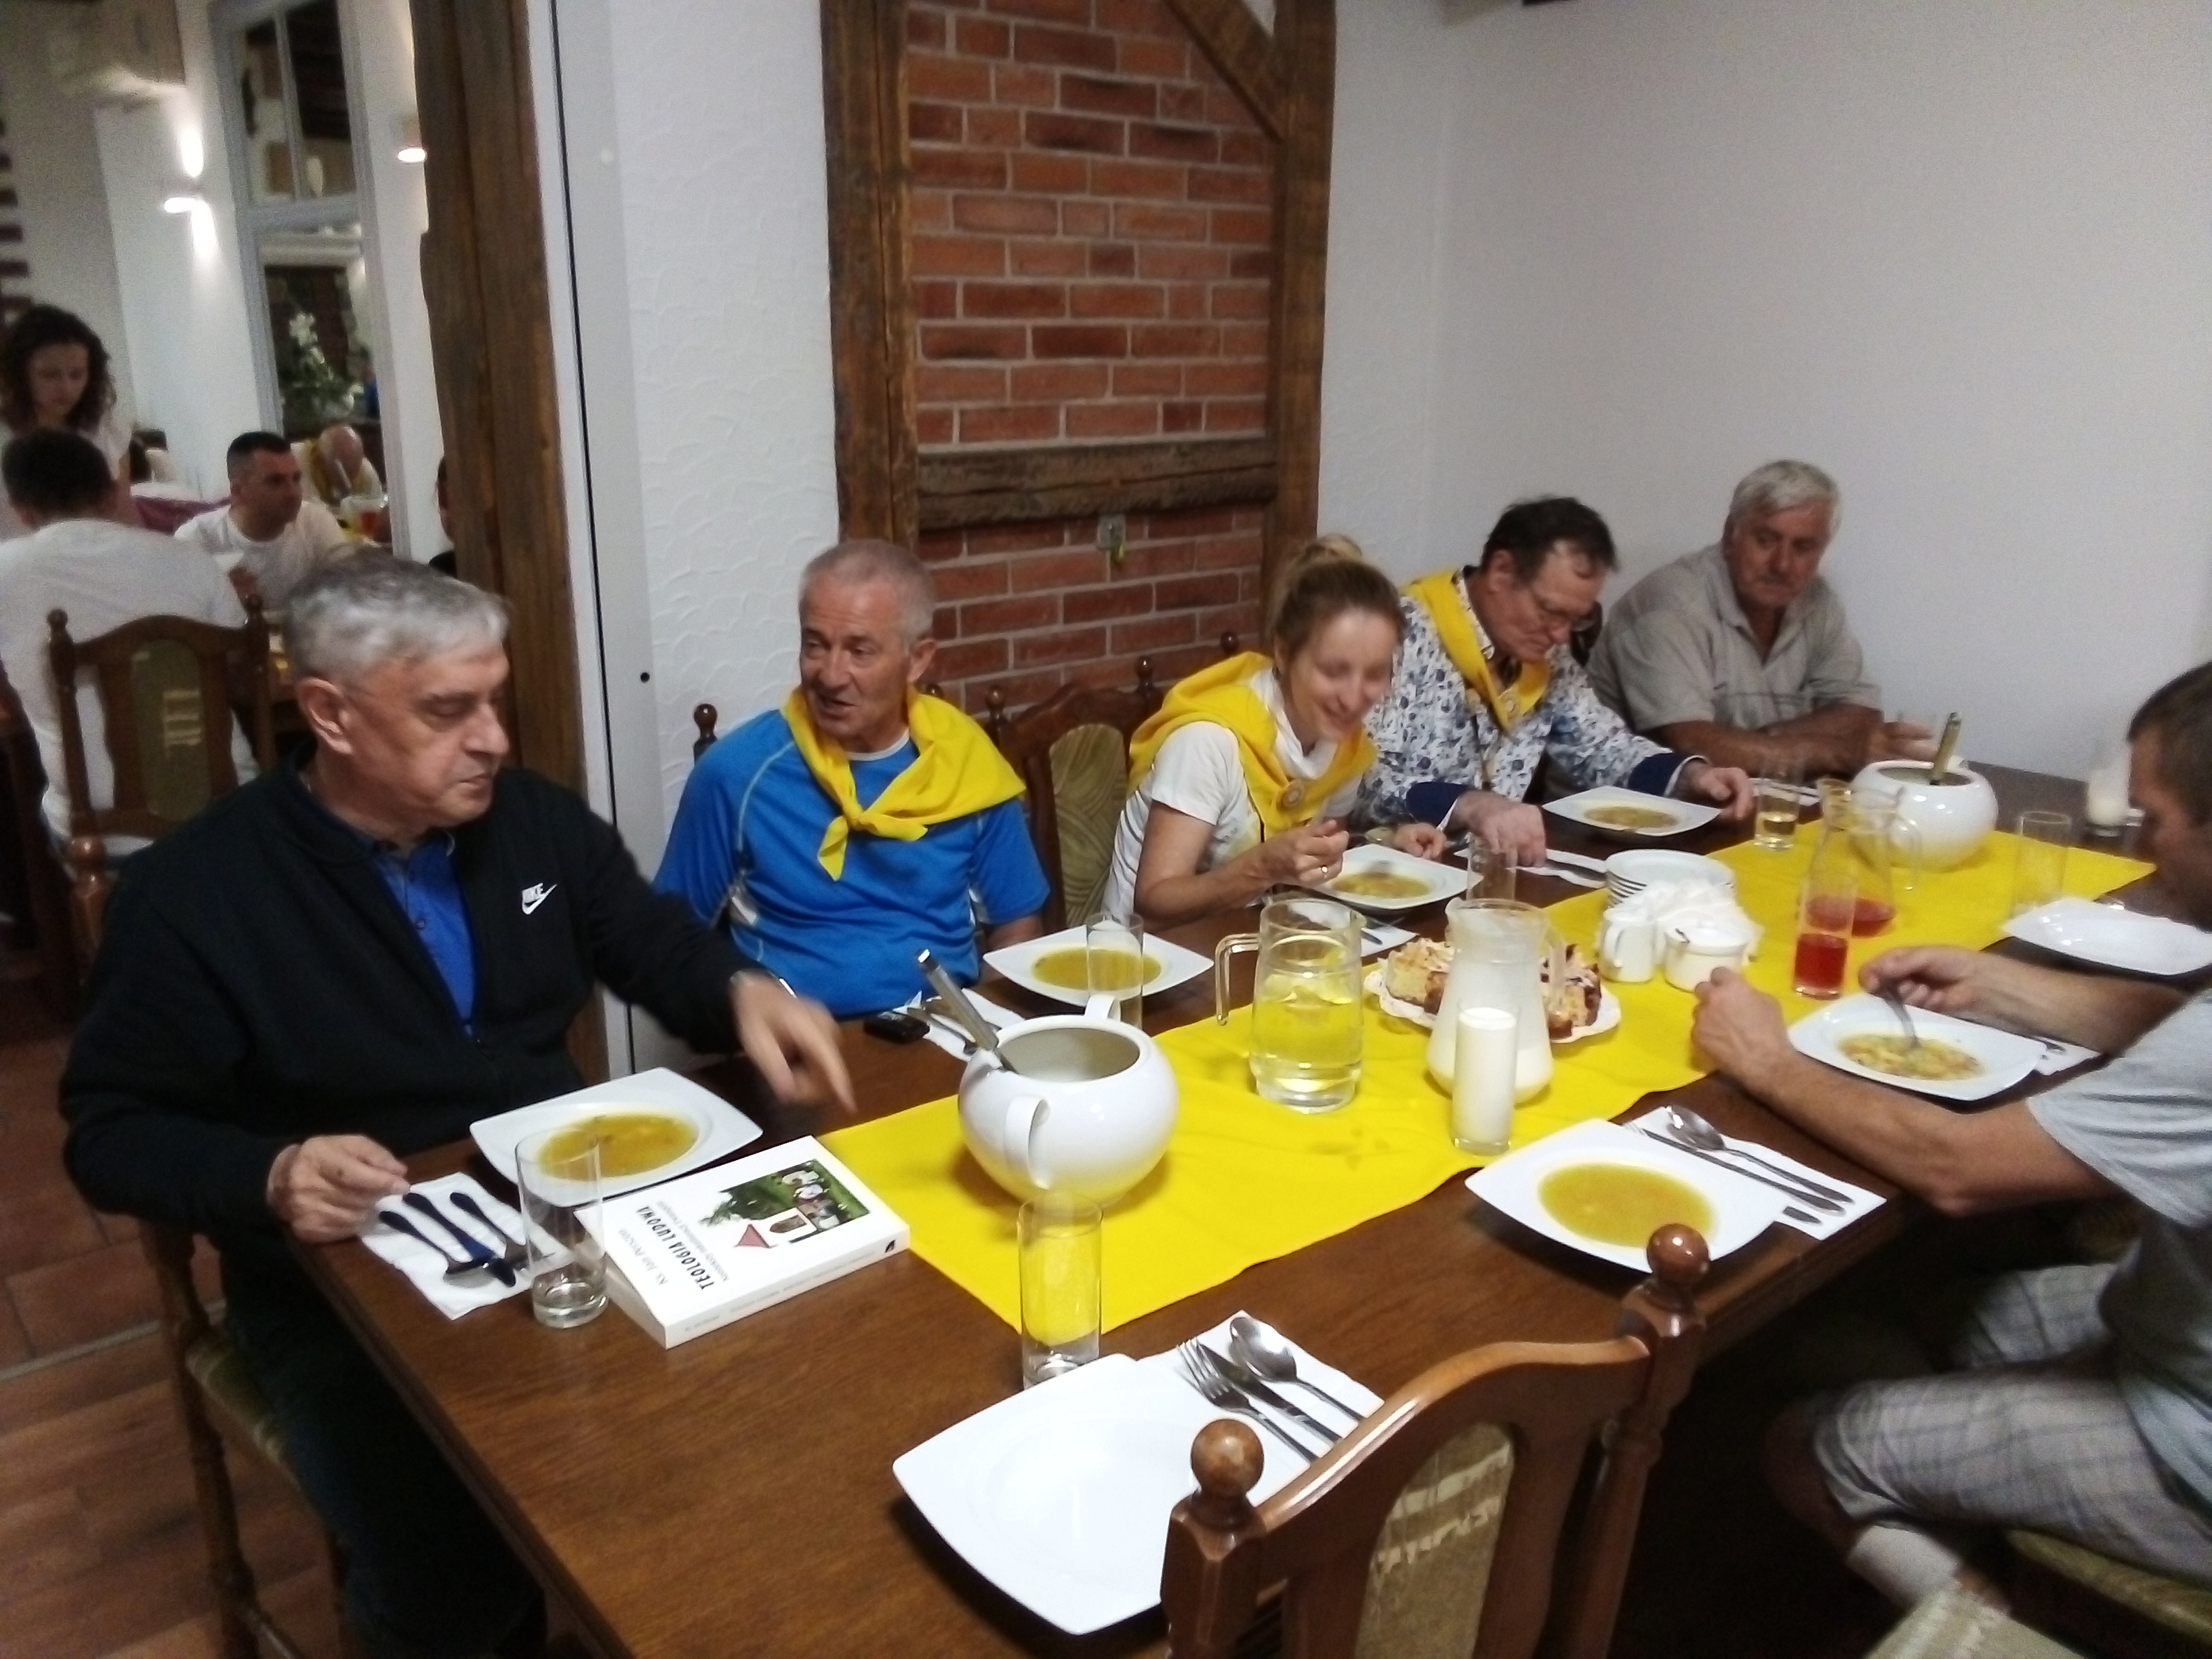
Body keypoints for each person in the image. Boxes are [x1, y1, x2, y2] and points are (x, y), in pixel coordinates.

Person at [59, 557, 851, 1659]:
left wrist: (737, 988)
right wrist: (268, 1173)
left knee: (769, 1402)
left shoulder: (529, 823)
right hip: (344, 1281)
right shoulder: (198, 891)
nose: (493, 739)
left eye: (494, 700)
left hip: (574, 1220)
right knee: (456, 1563)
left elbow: (647, 938)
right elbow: (110, 1131)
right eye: (448, 710)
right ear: (330, 713)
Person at [1687, 659, 2212, 1610]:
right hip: (2171, 1318)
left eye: (2157, 820)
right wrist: (2002, 984)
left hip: (2191, 1434)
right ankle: (1978, 1503)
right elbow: (2174, 1026)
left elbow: (1958, 1167)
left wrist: (1764, 1060)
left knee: (1810, 1444)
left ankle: (1992, 1630)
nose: (2143, 843)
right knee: (1896, 1325)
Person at [657, 539, 1050, 1018]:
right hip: (794, 1041)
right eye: (814, 645)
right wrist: (745, 1007)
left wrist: (990, 1029)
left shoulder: (968, 766)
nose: (830, 675)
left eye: (859, 651)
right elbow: (666, 943)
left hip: (943, 1031)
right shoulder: (735, 774)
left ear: (918, 659)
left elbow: (1017, 927)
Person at [1358, 497, 1754, 863]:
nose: (1562, 636)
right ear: (1501, 571)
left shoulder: (1545, 658)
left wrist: (1693, 778)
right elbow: (1358, 785)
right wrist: (1471, 805)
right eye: (1550, 611)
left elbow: (1602, 746)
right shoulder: (1391, 635)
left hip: (1487, 870)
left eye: (1575, 619)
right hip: (1382, 872)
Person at [1103, 536, 1448, 928]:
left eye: (1375, 674)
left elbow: (1318, 855)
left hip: (1247, 936)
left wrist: (1385, 842)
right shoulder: (1208, 742)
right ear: (1283, 653)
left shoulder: (1344, 745)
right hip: (1147, 952)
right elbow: (1155, 900)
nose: (1354, 698)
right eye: (1334, 671)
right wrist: (1263, 867)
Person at [1586, 460, 1931, 775]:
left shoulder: (1817, 600)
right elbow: (1691, 745)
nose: (1782, 565)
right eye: (1766, 540)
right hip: (1628, 807)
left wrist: (1764, 741)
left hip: (1753, 800)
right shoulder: (1670, 602)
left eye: (1803, 547)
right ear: (1730, 536)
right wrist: (1837, 752)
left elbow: (1862, 715)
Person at [0, 429, 254, 841]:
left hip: (103, 832)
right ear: (110, 494)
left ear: (20, 508)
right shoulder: (191, 559)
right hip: (228, 810)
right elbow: (241, 672)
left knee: (35, 797)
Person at [176, 431, 354, 609]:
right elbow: (180, 614)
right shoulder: (196, 539)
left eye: (296, 479)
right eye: (275, 482)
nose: (293, 492)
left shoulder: (316, 521)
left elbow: (351, 591)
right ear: (238, 491)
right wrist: (221, 602)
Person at [0, 304, 131, 540]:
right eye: (50, 375)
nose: (66, 388)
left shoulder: (106, 428)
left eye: (77, 374)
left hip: (95, 552)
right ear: (20, 374)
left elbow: (124, 514)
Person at [293, 421, 383, 512]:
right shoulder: (296, 460)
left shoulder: (365, 470)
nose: (346, 481)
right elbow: (304, 507)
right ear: (320, 458)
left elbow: (377, 506)